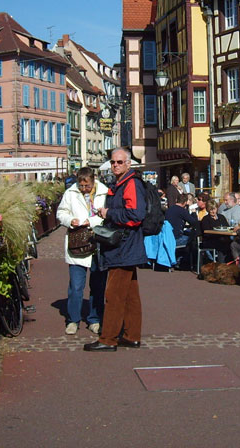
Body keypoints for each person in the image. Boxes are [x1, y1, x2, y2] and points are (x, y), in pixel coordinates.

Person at [85, 148, 147, 352]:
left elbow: (136, 215)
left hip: (124, 245)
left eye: (120, 162)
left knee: (114, 294)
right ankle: (131, 336)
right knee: (130, 295)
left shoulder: (130, 183)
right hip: (126, 245)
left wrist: (108, 212)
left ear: (128, 164)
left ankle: (108, 338)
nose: (115, 166)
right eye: (113, 162)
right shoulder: (122, 183)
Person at [56, 167, 108, 335]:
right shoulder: (70, 193)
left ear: (93, 181)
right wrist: (71, 220)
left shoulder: (104, 192)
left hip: (98, 243)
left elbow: (107, 214)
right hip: (77, 243)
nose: (84, 188)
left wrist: (90, 221)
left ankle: (95, 319)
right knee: (76, 286)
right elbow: (61, 213)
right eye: (81, 185)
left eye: (87, 186)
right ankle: (73, 320)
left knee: (98, 285)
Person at [165, 192, 199, 268]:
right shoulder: (182, 211)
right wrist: (193, 212)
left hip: (168, 237)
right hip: (176, 239)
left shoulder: (169, 210)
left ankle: (178, 259)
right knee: (193, 237)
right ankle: (189, 262)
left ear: (176, 200)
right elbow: (194, 222)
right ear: (185, 203)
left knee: (187, 233)